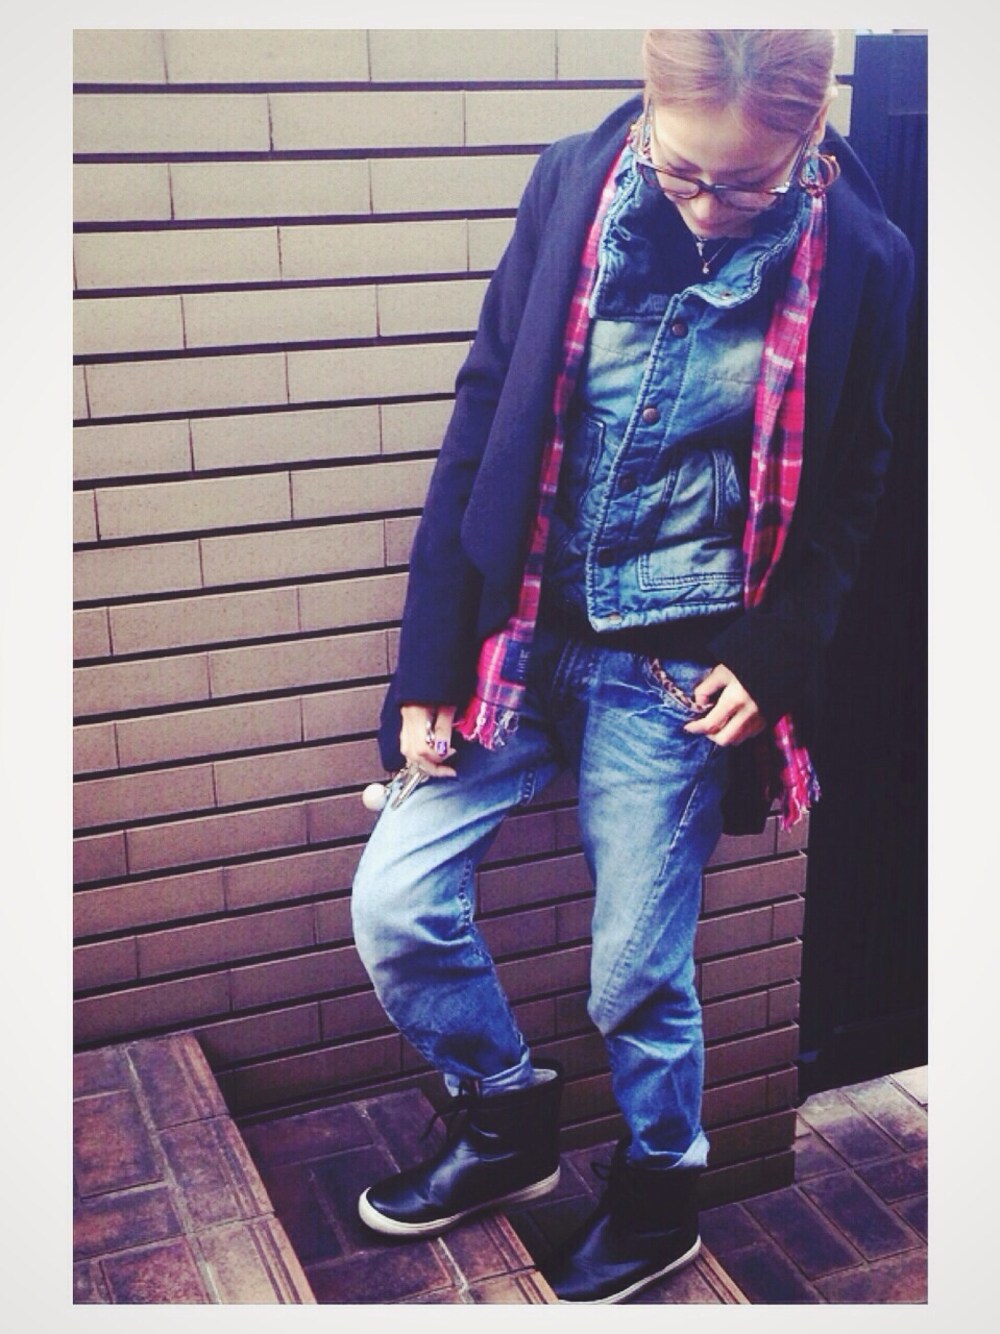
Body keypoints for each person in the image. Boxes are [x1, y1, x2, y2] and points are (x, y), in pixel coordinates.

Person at [349, 29, 913, 1305]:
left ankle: (660, 1194)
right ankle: (504, 1117)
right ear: (648, 114)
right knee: (396, 902)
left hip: (673, 671)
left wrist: (775, 653)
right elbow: (484, 406)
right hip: (513, 640)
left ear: (810, 134)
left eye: (749, 184)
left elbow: (854, 482)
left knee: (635, 977)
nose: (708, 209)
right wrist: (428, 660)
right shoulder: (572, 179)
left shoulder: (864, 258)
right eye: (683, 173)